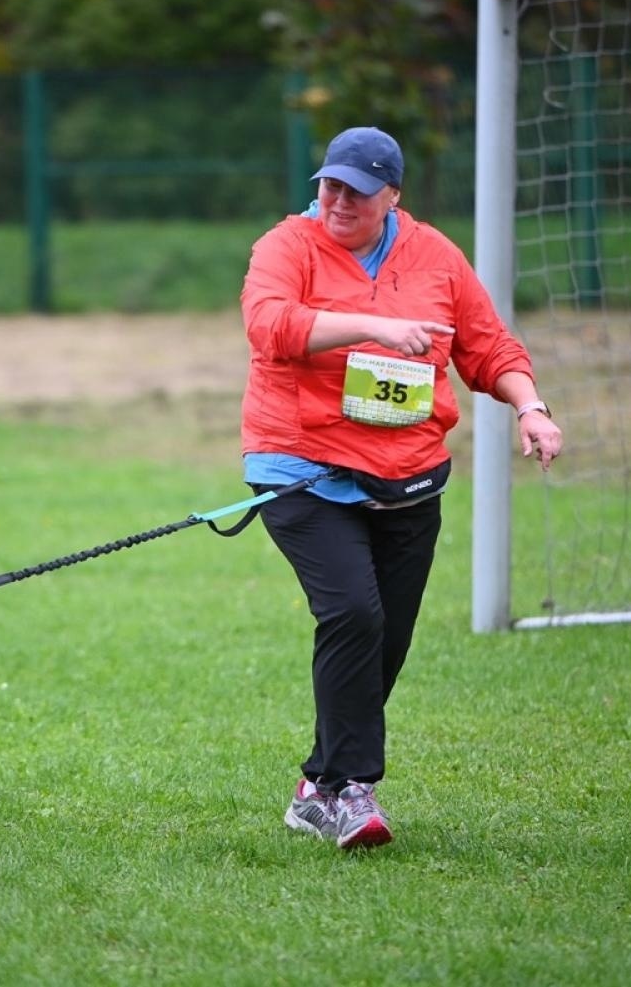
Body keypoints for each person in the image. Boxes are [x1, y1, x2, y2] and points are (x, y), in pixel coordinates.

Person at [240, 126, 563, 850]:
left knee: (384, 636)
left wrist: (530, 406)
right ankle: (354, 792)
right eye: (329, 183)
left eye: (357, 188)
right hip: (302, 468)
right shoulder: (286, 247)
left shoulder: (434, 254)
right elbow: (269, 325)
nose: (338, 199)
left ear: (393, 195)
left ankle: (316, 786)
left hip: (409, 478)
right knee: (354, 612)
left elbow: (487, 344)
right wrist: (374, 327)